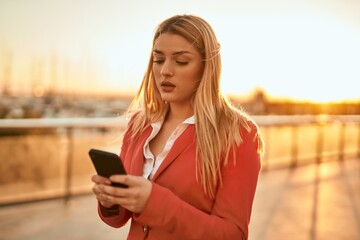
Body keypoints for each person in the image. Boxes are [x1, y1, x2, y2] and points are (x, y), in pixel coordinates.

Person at [91, 14, 263, 240]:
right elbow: (120, 218)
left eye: (181, 61)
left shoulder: (239, 133)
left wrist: (154, 202)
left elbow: (233, 234)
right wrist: (110, 201)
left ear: (206, 68)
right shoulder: (139, 124)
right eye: (159, 60)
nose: (165, 71)